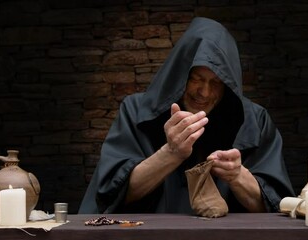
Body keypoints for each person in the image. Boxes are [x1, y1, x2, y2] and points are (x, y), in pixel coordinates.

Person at [79, 17, 295, 214]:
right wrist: (170, 153)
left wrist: (238, 175)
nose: (204, 92)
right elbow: (111, 194)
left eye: (216, 83)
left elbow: (276, 207)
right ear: (180, 74)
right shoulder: (135, 110)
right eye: (197, 79)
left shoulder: (255, 120)